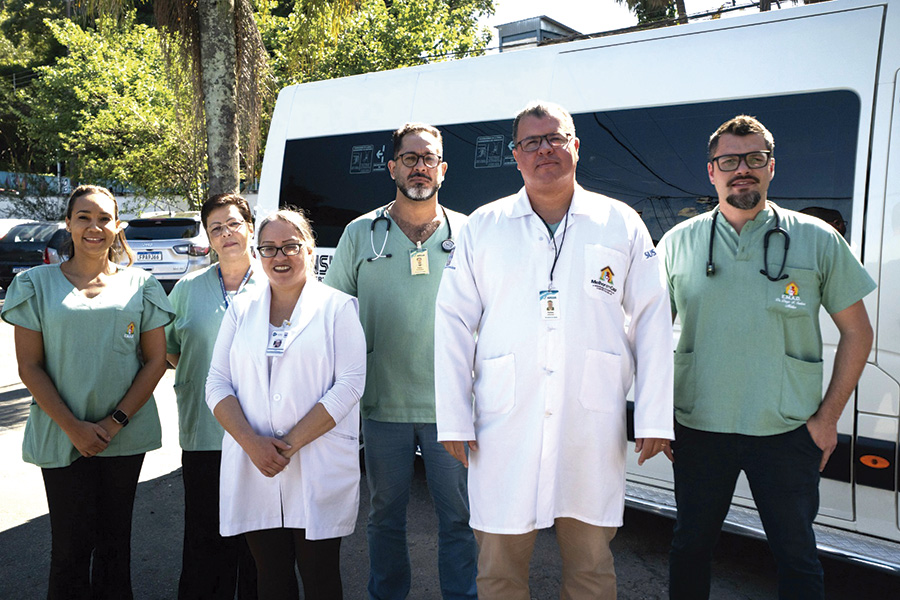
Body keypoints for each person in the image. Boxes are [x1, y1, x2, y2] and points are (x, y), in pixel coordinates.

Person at [434, 101, 674, 600]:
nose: (544, 150)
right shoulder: (484, 225)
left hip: (589, 420)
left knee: (591, 569)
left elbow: (652, 318)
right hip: (504, 422)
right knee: (498, 570)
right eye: (531, 142)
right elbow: (453, 321)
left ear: (575, 147)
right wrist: (453, 417)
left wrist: (654, 418)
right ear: (515, 155)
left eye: (555, 138)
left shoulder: (619, 222)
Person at [659, 115, 876, 599]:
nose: (742, 169)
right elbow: (647, 337)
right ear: (711, 171)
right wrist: (657, 416)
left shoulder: (817, 239)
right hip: (699, 428)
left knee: (796, 556)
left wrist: (827, 420)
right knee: (690, 548)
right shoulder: (678, 243)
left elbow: (858, 333)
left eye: (754, 159)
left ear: (771, 167)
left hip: (787, 431)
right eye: (729, 161)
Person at [324, 122, 476, 600]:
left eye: (429, 159)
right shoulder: (360, 234)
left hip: (451, 407)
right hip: (382, 403)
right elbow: (333, 314)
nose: (419, 167)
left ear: (443, 169)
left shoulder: (469, 233)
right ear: (392, 167)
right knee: (385, 516)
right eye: (410, 158)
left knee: (459, 517)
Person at [1, 184, 174, 600]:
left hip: (124, 435)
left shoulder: (142, 284)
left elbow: (156, 361)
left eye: (103, 218)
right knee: (70, 549)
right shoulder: (35, 284)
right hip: (62, 434)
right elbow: (29, 366)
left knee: (116, 547)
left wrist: (114, 423)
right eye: (84, 217)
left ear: (117, 226)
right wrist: (73, 427)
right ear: (68, 223)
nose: (94, 227)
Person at [206, 209, 366, 600]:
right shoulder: (241, 309)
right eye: (269, 248)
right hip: (255, 464)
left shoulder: (338, 307)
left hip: (316, 462)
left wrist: (284, 447)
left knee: (320, 578)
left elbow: (349, 385)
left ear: (310, 250)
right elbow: (217, 383)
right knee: (272, 578)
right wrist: (253, 444)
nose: (280, 256)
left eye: (291, 246)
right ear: (258, 254)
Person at [166, 193, 260, 599]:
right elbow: (169, 350)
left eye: (234, 223)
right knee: (205, 540)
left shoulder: (276, 282)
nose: (226, 234)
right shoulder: (187, 289)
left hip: (262, 435)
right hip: (205, 434)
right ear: (208, 237)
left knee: (259, 546)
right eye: (216, 228)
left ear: (250, 228)